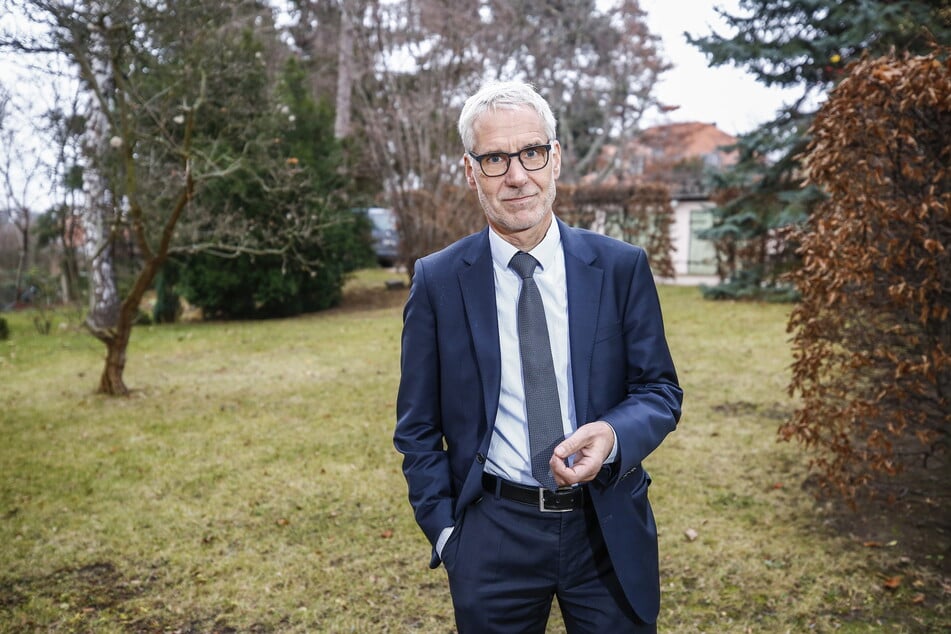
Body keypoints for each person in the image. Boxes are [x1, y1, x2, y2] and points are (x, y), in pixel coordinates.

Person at [394, 80, 683, 633]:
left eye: (531, 152)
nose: (517, 175)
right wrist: (448, 533)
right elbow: (417, 427)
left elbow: (660, 391)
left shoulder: (620, 268)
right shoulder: (437, 282)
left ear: (555, 159)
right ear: (470, 170)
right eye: (495, 158)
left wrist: (614, 434)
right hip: (492, 535)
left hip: (606, 526)